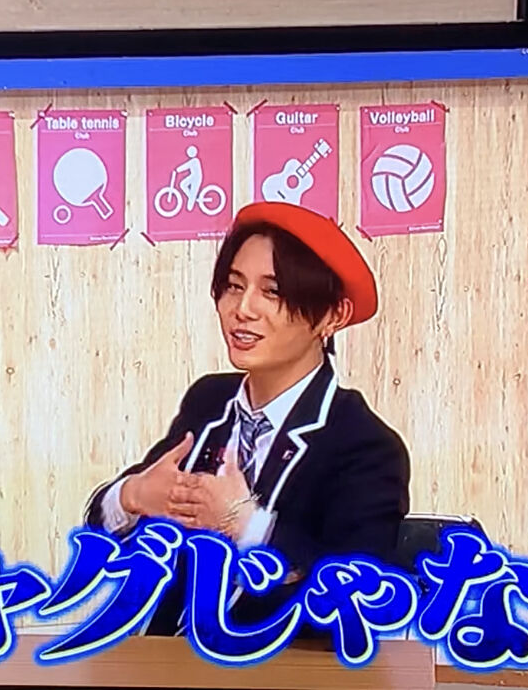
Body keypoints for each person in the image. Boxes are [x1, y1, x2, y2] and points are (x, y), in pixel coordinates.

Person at [84, 201, 411, 635]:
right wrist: (132, 494)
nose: (243, 308)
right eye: (234, 286)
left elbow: (363, 601)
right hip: (165, 659)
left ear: (334, 315)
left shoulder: (365, 445)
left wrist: (247, 525)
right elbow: (100, 527)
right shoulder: (209, 401)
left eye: (272, 292)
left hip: (282, 666)